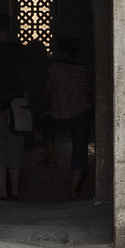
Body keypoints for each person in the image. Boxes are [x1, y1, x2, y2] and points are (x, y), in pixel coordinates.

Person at [42, 36, 94, 201]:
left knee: (45, 123)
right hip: (81, 113)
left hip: (58, 113)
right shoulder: (85, 68)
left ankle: (51, 158)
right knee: (79, 151)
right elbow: (91, 88)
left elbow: (46, 90)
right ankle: (74, 191)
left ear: (63, 52)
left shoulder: (55, 68)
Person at [0, 13, 28, 201]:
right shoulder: (19, 51)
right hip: (17, 105)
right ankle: (14, 191)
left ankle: (2, 192)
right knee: (15, 148)